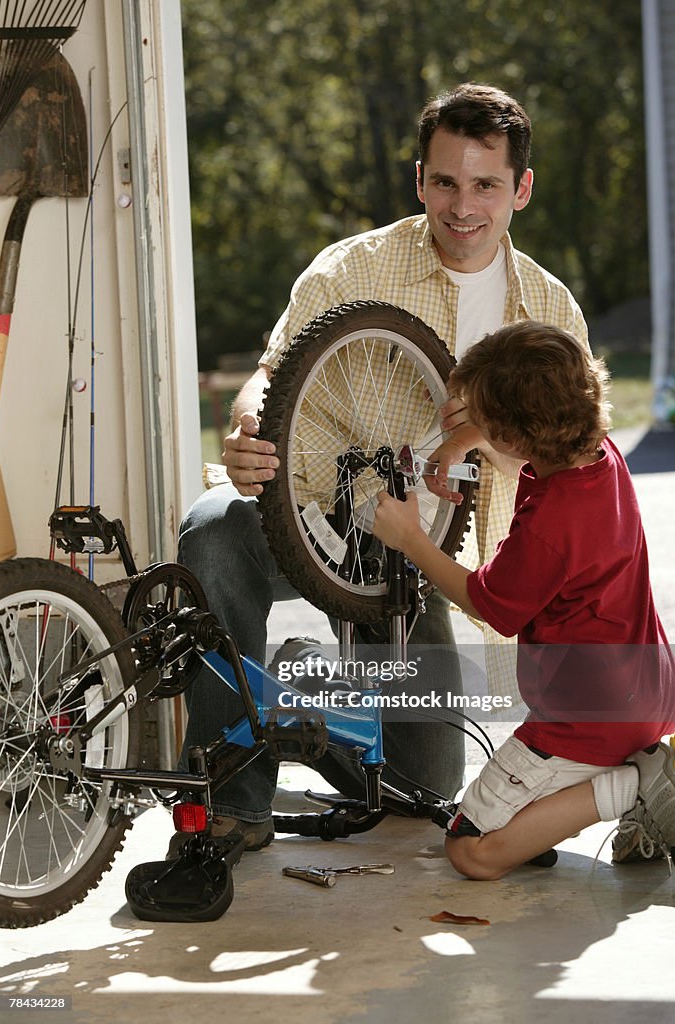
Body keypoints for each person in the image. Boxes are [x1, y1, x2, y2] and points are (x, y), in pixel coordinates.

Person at [171, 82, 588, 855]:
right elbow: (271, 370)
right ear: (418, 179)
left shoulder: (548, 312)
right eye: (443, 182)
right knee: (212, 531)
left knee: (420, 790)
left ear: (520, 189)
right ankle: (232, 803)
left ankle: (302, 696)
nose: (461, 207)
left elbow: (571, 453)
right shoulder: (352, 268)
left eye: (485, 185)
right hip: (306, 501)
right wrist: (246, 420)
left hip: (409, 552)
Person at [372, 320, 675, 880]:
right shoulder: (601, 456)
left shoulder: (547, 528)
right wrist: (466, 440)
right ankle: (625, 775)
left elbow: (491, 604)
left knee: (471, 851)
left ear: (513, 436)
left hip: (586, 721)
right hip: (645, 690)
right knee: (512, 823)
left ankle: (633, 787)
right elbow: (521, 454)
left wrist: (410, 539)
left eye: (481, 419)